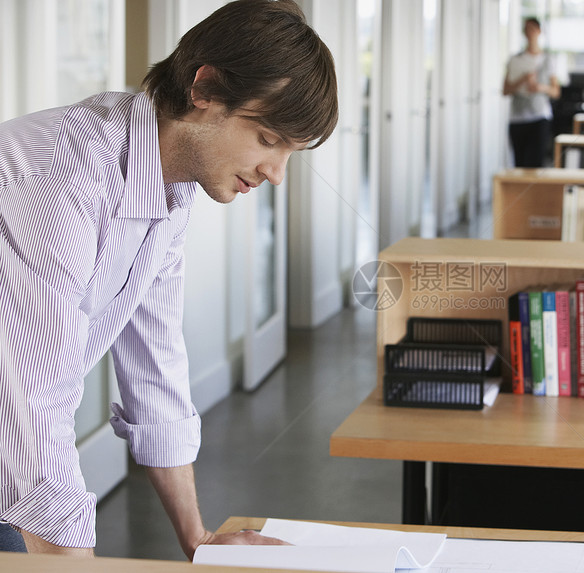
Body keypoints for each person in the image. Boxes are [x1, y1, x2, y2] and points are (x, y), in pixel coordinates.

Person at [0, 0, 337, 558]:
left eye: (290, 154)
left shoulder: (167, 183)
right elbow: (33, 407)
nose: (275, 174)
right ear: (204, 89)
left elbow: (155, 361)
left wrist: (198, 538)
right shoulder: (57, 179)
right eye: (268, 139)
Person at [503, 17, 560, 168]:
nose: (530, 33)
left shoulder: (548, 59)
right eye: (526, 29)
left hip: (539, 117)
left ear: (539, 31)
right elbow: (505, 90)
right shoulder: (515, 60)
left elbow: (556, 91)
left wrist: (540, 88)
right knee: (520, 163)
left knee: (535, 163)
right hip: (518, 118)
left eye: (533, 29)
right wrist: (521, 80)